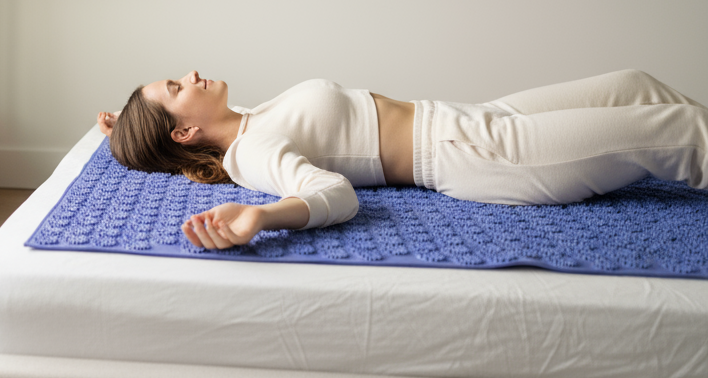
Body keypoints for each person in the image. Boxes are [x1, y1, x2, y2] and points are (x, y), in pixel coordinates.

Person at [96, 69, 708, 251]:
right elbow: (334, 194)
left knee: (637, 85)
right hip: (476, 153)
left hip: (475, 114)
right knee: (675, 132)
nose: (189, 74)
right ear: (186, 131)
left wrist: (127, 130)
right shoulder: (252, 153)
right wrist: (265, 217)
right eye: (176, 88)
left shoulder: (247, 120)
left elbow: (162, 140)